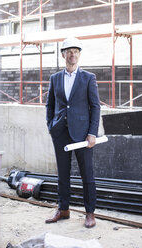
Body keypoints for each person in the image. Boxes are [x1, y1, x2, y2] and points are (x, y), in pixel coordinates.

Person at [45, 37, 101, 228]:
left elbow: (95, 107)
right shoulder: (55, 78)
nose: (72, 54)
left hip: (83, 135)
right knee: (62, 173)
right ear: (63, 55)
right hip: (60, 132)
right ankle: (63, 209)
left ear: (79, 54)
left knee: (87, 174)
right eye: (69, 51)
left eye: (76, 51)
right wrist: (50, 126)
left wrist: (92, 133)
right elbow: (50, 105)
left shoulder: (88, 78)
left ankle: (90, 213)